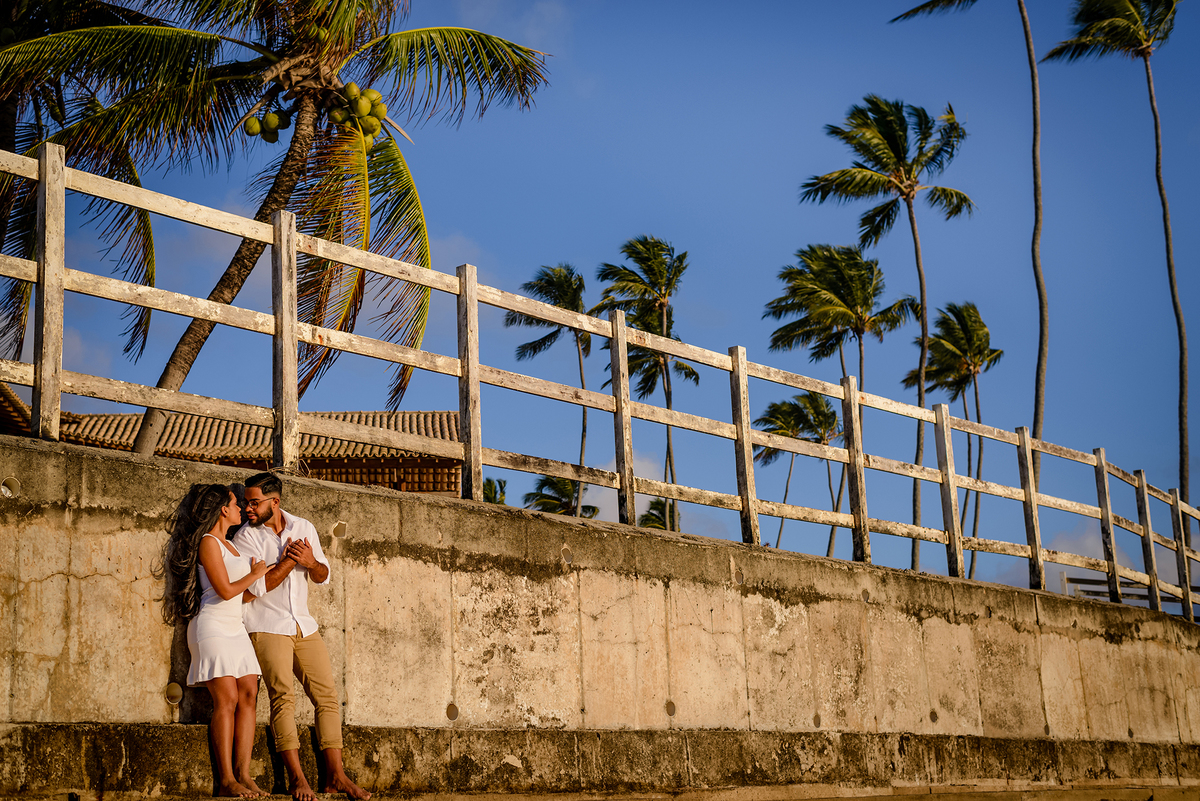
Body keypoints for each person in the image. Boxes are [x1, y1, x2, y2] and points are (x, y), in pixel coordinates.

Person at [233, 472, 370, 801]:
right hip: (266, 624)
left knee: (327, 698)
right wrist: (287, 561)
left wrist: (309, 561)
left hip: (303, 625)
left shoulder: (303, 527)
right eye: (246, 503)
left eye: (254, 503)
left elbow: (322, 575)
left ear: (275, 502)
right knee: (283, 698)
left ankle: (336, 776)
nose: (248, 508)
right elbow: (257, 587)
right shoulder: (245, 537)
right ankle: (297, 779)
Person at [157, 483, 270, 798]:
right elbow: (224, 589)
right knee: (227, 699)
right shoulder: (209, 542)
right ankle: (226, 780)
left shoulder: (231, 545)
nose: (241, 509)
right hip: (212, 626)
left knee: (249, 694)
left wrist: (265, 578)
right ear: (223, 509)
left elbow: (240, 595)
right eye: (235, 504)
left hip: (235, 626)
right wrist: (255, 574)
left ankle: (244, 775)